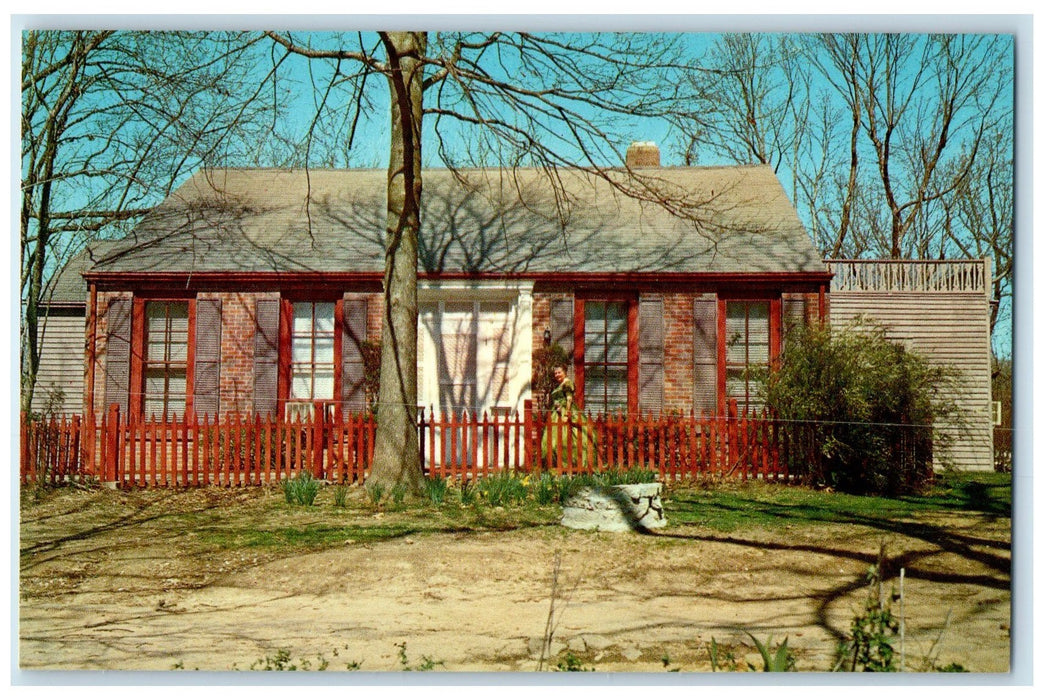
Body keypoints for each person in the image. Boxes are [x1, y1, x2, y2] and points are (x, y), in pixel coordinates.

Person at [541, 364, 597, 470]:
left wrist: (566, 412)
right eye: (555, 373)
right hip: (556, 412)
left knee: (569, 438)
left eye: (559, 372)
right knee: (552, 439)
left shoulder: (567, 383)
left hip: (565, 411)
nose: (557, 375)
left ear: (565, 372)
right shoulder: (560, 384)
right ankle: (555, 465)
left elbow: (569, 399)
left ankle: (572, 464)